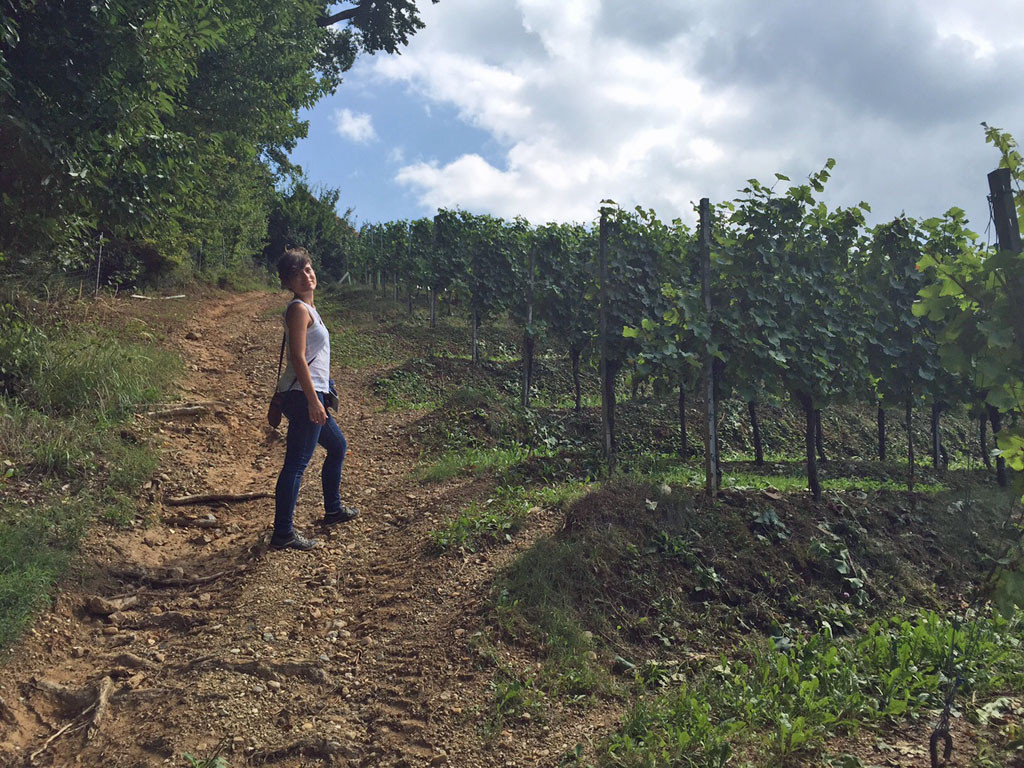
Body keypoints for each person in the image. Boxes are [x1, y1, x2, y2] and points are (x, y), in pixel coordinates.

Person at [272, 247, 358, 550]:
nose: (306, 276)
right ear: (289, 282)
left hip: (314, 393)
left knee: (337, 446)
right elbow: (297, 357)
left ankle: (333, 509)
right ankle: (282, 533)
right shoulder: (298, 309)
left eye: (308, 269)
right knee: (296, 464)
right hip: (304, 396)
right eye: (297, 274)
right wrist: (312, 400)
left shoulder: (310, 309)